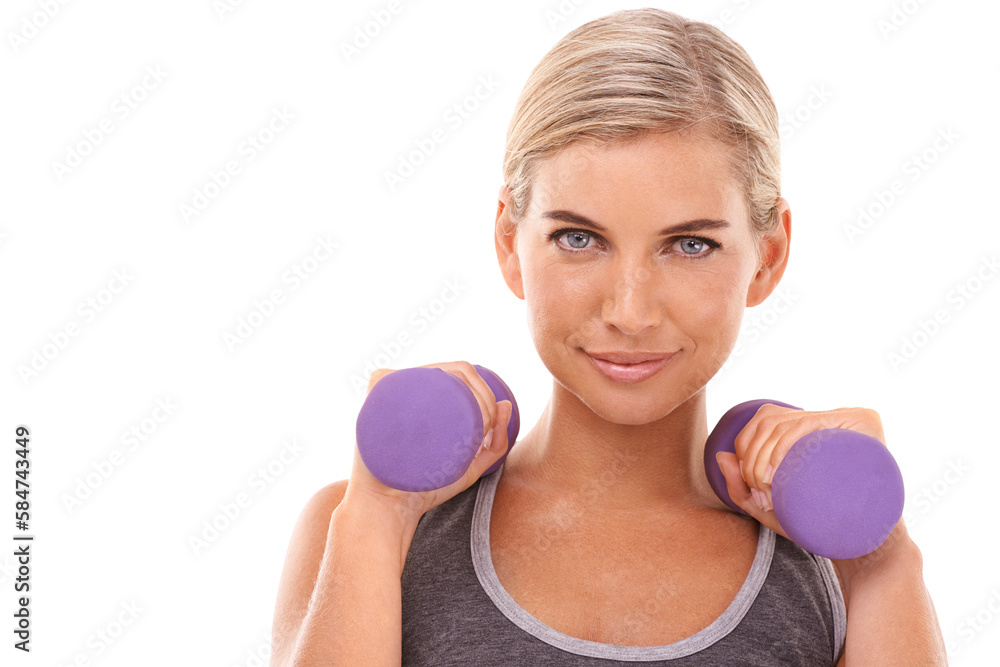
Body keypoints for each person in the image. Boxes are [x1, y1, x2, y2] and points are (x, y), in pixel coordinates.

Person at [269, 8, 946, 665]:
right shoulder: (366, 524)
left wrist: (879, 554)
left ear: (768, 256)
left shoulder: (833, 569)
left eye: (688, 244)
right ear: (510, 242)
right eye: (579, 237)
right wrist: (377, 515)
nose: (630, 310)